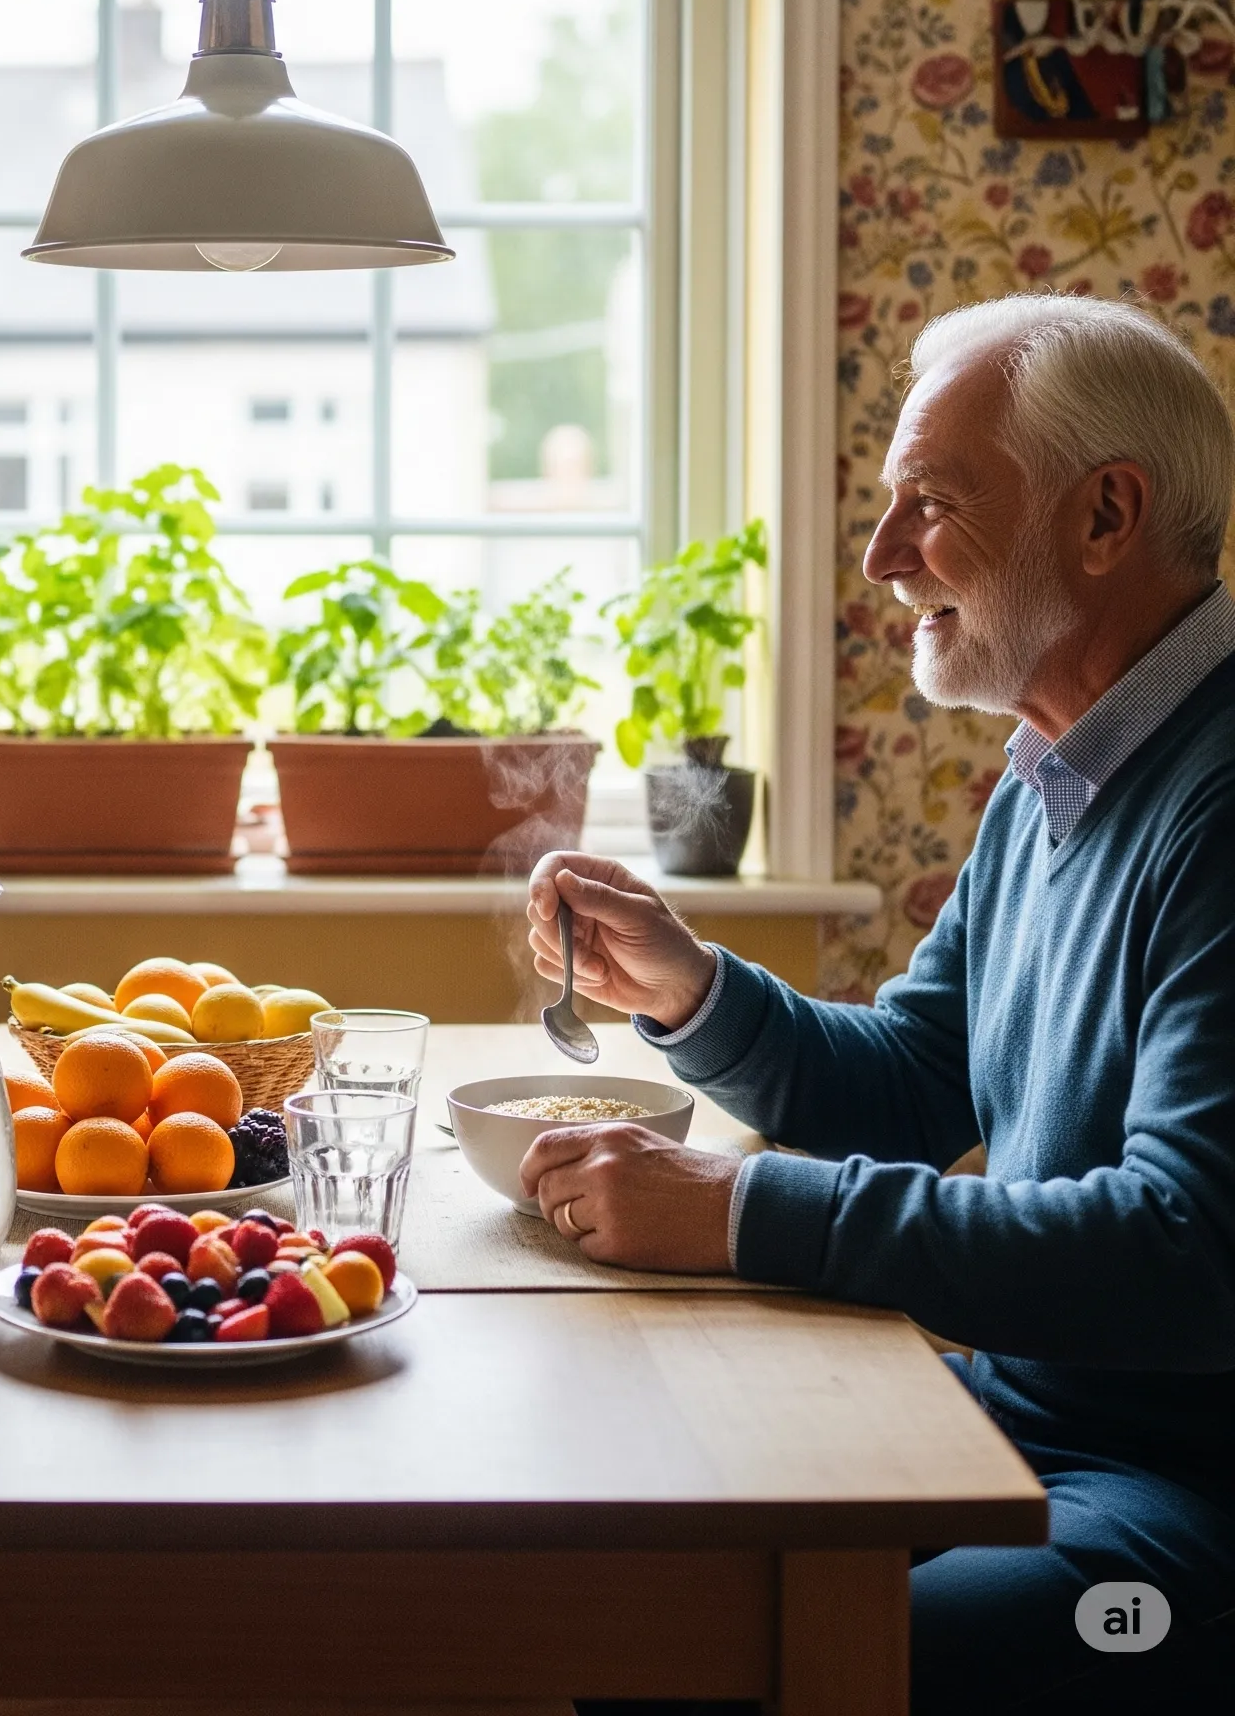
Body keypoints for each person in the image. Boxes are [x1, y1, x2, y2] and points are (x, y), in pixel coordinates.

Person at [528, 295, 1235, 1715]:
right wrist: (689, 987)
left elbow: (1184, 1249)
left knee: (707, 1664)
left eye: (933, 505)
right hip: (1015, 1421)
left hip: (1176, 1518)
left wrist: (734, 1213)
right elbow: (916, 1077)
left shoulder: (1218, 805)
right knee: (615, 1560)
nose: (880, 556)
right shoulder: (1058, 772)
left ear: (1107, 518)